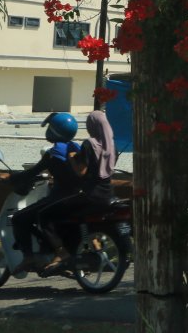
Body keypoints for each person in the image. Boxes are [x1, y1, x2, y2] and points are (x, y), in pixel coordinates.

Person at [36, 109, 117, 272]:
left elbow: (81, 171)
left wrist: (73, 156)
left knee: (45, 214)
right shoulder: (111, 145)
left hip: (91, 194)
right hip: (107, 193)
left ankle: (61, 252)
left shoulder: (90, 143)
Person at [9, 112, 81, 274]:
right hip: (77, 197)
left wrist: (11, 177)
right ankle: (46, 250)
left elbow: (32, 172)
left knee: (20, 218)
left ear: (54, 131)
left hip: (59, 198)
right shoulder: (75, 147)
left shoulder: (53, 153)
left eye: (50, 127)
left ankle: (29, 257)